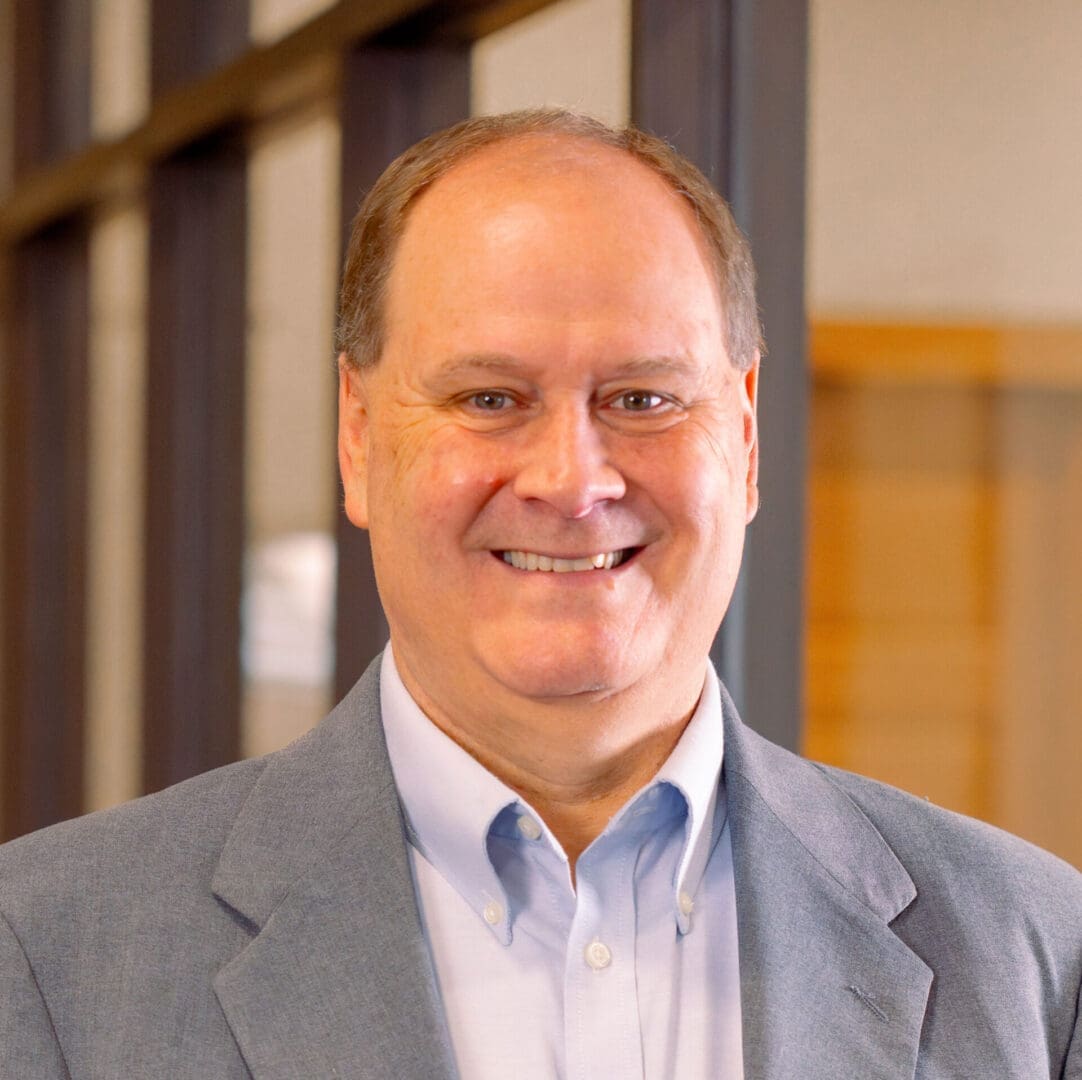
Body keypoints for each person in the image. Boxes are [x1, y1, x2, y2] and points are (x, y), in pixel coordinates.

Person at [1, 109, 1079, 1079]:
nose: (571, 480)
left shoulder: (1030, 952)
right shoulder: (50, 958)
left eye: (642, 397)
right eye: (489, 397)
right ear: (359, 435)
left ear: (744, 441)